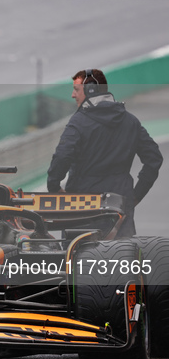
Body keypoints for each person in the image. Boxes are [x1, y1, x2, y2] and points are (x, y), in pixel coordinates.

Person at [47, 69, 163, 238]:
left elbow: (62, 156)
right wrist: (135, 196)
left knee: (79, 261)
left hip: (82, 207)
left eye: (76, 90)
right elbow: (154, 159)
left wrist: (54, 186)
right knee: (121, 260)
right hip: (120, 206)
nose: (73, 95)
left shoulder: (78, 122)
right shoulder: (130, 121)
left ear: (90, 90)